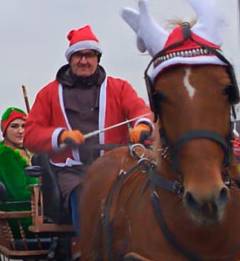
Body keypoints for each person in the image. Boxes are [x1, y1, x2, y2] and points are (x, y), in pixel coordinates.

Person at [23, 25, 153, 231]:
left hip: (117, 167)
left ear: (97, 58)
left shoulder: (119, 88)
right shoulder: (49, 93)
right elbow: (30, 135)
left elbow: (141, 110)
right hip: (73, 171)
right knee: (84, 193)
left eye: (89, 55)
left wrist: (142, 125)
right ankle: (87, 250)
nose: (84, 60)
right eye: (78, 55)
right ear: (70, 59)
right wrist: (61, 136)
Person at [0, 107, 39, 234]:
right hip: (21, 217)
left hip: (32, 210)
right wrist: (48, 197)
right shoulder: (6, 154)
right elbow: (20, 193)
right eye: (14, 126)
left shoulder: (24, 150)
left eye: (24, 126)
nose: (20, 131)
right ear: (4, 130)